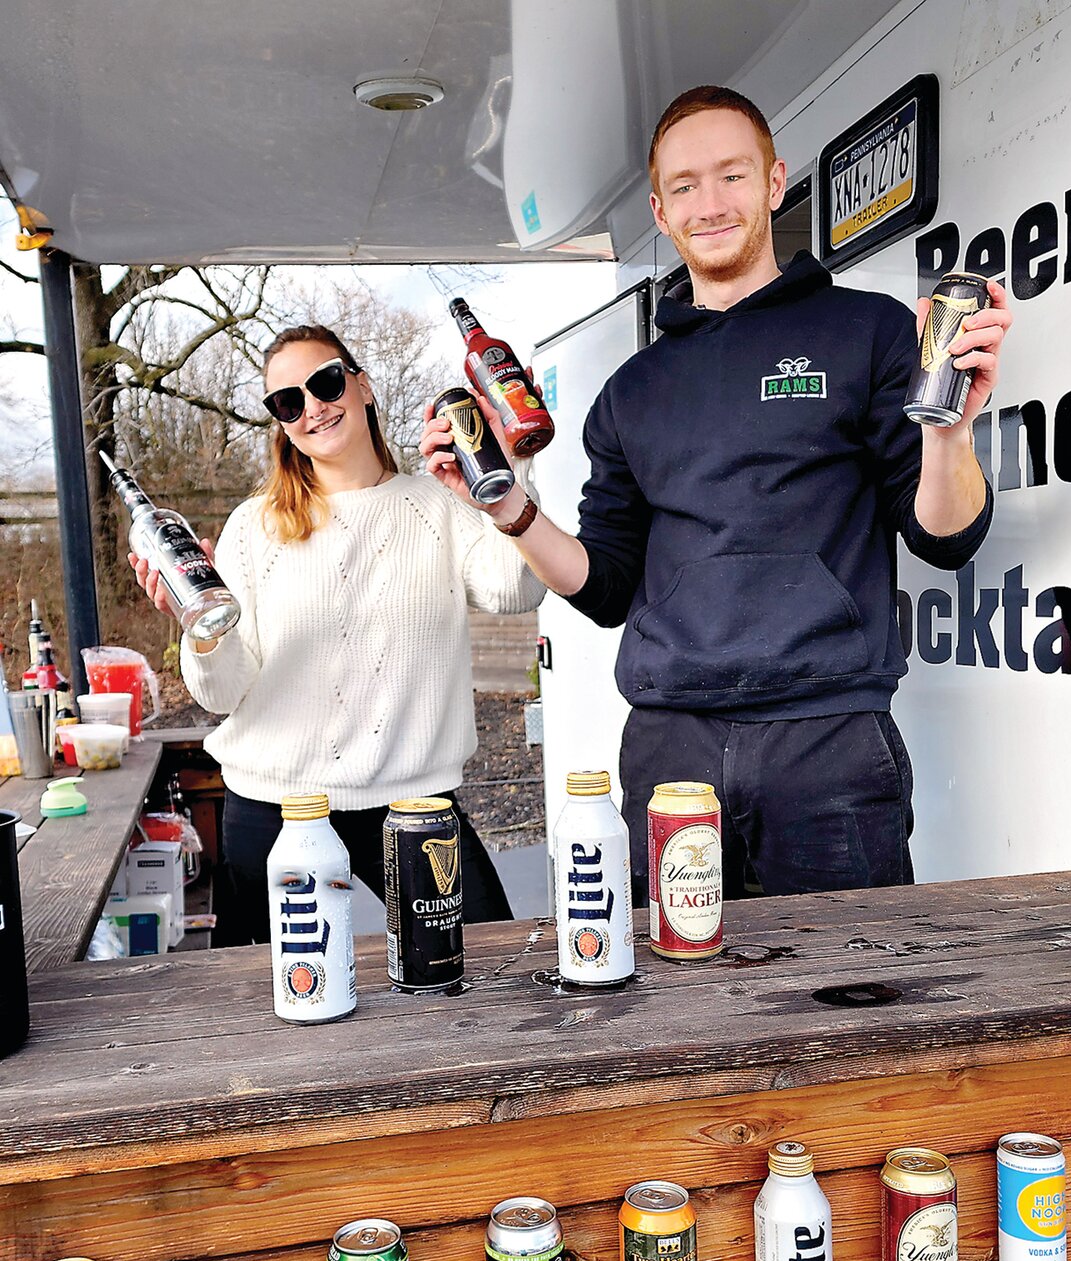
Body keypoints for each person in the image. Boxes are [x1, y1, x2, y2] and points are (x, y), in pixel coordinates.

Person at [422, 85, 1012, 903]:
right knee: (676, 1009)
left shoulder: (868, 330)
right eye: (687, 187)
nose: (711, 203)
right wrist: (507, 511)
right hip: (672, 753)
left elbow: (945, 538)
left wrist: (948, 431)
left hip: (829, 739)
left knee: (852, 1001)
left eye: (731, 176)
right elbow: (604, 586)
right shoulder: (631, 393)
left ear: (773, 184)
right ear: (661, 213)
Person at [132, 324, 544, 941]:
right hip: (276, 808)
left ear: (363, 384)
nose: (313, 408)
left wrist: (511, 470)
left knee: (489, 970)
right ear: (280, 420)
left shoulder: (439, 504)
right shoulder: (253, 526)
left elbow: (517, 589)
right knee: (259, 1012)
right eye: (288, 402)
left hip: (415, 802)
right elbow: (221, 694)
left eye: (324, 383)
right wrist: (200, 632)